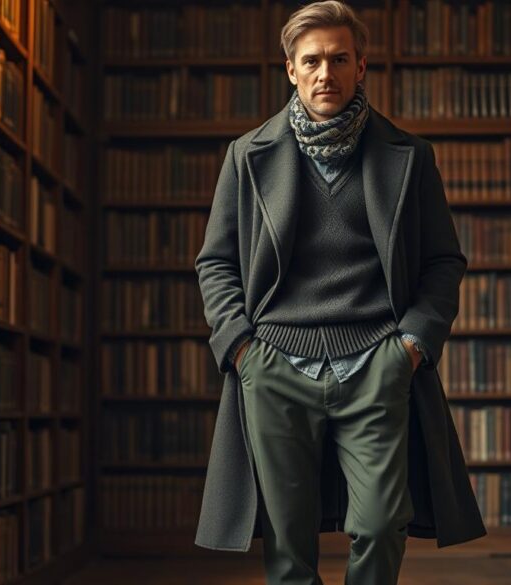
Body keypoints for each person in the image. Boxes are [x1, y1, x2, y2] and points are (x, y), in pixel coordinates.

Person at [194, 2, 485, 583]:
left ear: (361, 67)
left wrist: (410, 345)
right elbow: (216, 261)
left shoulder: (409, 156)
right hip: (273, 365)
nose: (325, 72)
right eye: (312, 61)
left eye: (338, 58)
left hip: (375, 363)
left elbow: (443, 261)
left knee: (381, 523)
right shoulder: (247, 156)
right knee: (286, 541)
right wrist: (241, 350)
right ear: (291, 70)